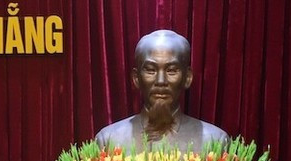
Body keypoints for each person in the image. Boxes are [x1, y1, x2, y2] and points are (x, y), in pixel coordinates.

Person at [95, 29, 228, 153]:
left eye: (171, 70)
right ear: (136, 78)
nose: (160, 81)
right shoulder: (108, 141)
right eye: (150, 70)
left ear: (187, 78)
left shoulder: (215, 141)